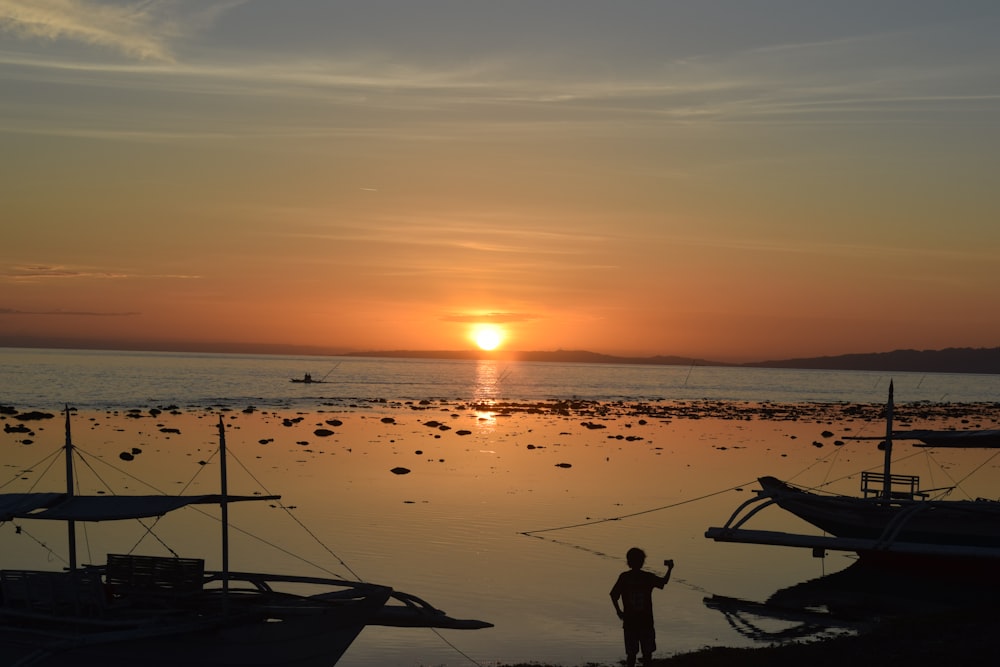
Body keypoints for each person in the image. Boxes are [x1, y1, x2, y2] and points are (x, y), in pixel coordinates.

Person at [610, 547, 674, 667]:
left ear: (629, 562)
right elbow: (663, 582)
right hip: (646, 622)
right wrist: (670, 569)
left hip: (630, 622)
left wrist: (619, 611)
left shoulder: (624, 577)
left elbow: (613, 595)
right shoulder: (647, 577)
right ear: (642, 562)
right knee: (647, 655)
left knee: (631, 655)